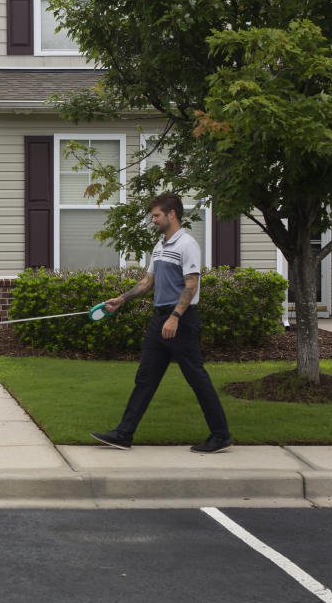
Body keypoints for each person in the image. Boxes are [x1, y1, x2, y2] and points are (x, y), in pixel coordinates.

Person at [91, 192, 233, 454]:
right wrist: (120, 300)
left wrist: (176, 317)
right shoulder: (160, 245)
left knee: (197, 378)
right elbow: (148, 281)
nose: (153, 220)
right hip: (160, 320)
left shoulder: (186, 244)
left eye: (156, 215)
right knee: (145, 378)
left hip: (181, 320)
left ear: (171, 214)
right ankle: (124, 434)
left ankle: (221, 435)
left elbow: (191, 285)